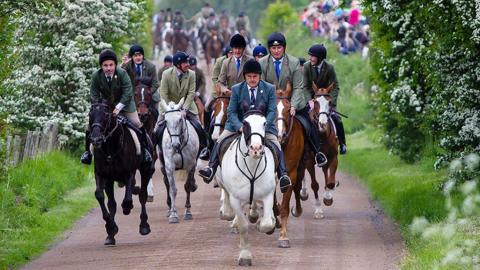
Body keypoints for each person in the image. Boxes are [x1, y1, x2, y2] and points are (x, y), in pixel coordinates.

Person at [198, 59, 292, 193]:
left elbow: (272, 110)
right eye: (249, 76)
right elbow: (231, 111)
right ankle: (211, 168)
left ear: (260, 76)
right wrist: (239, 126)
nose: (252, 79)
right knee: (220, 139)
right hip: (240, 124)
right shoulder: (237, 89)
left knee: (275, 143)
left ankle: (283, 174)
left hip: (262, 126)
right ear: (245, 77)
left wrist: (264, 125)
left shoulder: (269, 88)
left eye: (255, 76)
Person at [259, 32, 327, 166]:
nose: (276, 51)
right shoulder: (262, 63)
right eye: (273, 48)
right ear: (269, 49)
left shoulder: (294, 62)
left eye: (279, 48)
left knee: (308, 123)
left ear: (284, 48)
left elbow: (298, 87)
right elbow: (261, 86)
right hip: (270, 102)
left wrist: (294, 106)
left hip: (292, 102)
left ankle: (317, 152)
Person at [80, 49, 152, 164]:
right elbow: (93, 94)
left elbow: (128, 93)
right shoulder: (96, 76)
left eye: (111, 65)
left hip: (126, 105)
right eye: (105, 65)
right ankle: (87, 154)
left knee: (137, 124)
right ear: (101, 66)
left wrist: (118, 107)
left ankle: (146, 152)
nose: (108, 68)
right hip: (105, 107)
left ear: (115, 65)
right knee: (89, 126)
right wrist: (99, 106)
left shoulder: (122, 74)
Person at [198, 34, 252, 160]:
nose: (237, 51)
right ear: (232, 49)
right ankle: (209, 148)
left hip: (246, 99)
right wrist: (224, 89)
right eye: (235, 48)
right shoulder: (225, 62)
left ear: (243, 49)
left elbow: (255, 79)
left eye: (240, 48)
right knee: (212, 115)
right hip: (228, 98)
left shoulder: (250, 61)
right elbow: (220, 81)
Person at [155, 52, 207, 158]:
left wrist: (184, 109)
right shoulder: (166, 74)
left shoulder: (192, 74)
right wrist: (170, 108)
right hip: (168, 105)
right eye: (185, 63)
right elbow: (163, 93)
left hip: (187, 105)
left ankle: (204, 149)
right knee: (157, 129)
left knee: (199, 126)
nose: (188, 64)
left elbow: (191, 93)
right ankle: (154, 151)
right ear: (178, 65)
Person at [303, 44, 346, 154]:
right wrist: (309, 100)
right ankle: (305, 147)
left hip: (326, 99)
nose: (310, 58)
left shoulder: (329, 68)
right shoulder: (307, 66)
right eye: (310, 56)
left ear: (320, 58)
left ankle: (342, 144)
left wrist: (332, 101)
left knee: (337, 119)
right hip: (313, 100)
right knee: (305, 120)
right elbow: (306, 86)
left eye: (313, 56)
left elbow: (335, 86)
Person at [122, 44, 160, 111]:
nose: (138, 58)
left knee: (159, 109)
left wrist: (147, 93)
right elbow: (120, 76)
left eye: (140, 55)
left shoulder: (151, 66)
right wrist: (123, 64)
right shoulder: (128, 65)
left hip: (149, 94)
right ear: (132, 57)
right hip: (133, 95)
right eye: (135, 56)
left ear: (143, 56)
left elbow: (155, 84)